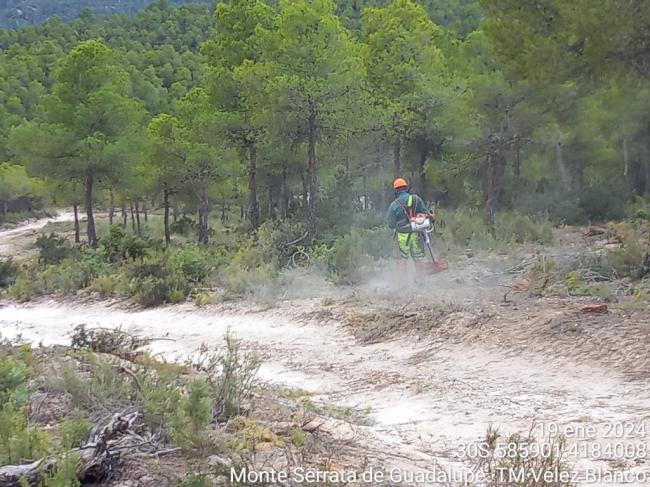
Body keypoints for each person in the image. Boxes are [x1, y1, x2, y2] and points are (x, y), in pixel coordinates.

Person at [386, 177, 434, 282]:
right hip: (417, 232)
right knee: (418, 256)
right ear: (406, 188)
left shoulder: (394, 205)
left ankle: (404, 284)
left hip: (402, 235)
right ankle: (421, 280)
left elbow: (391, 224)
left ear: (396, 191)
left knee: (402, 259)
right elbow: (426, 214)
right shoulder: (416, 199)